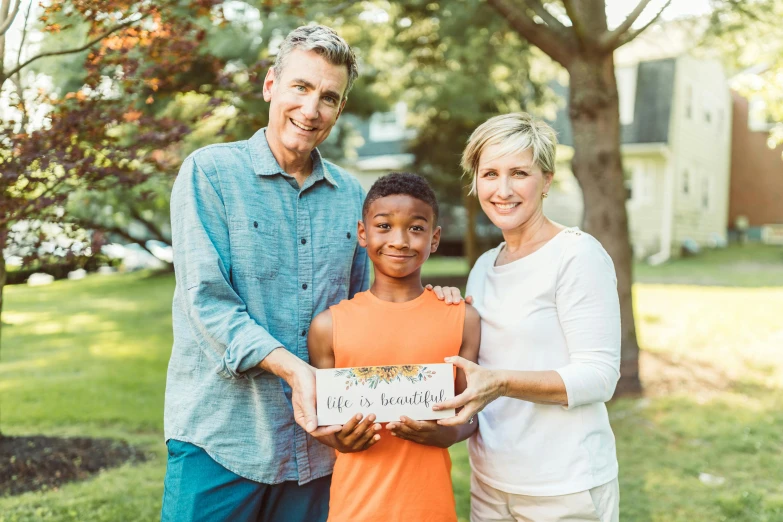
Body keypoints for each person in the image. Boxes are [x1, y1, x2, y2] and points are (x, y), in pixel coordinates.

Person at [162, 25, 463, 522]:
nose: (311, 109)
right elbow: (207, 302)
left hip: (319, 450)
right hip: (222, 439)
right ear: (270, 86)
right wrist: (295, 370)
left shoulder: (351, 197)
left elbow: (358, 319)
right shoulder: (209, 174)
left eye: (328, 97)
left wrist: (433, 301)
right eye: (300, 87)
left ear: (339, 110)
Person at [434, 113, 622, 521]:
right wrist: (440, 307)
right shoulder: (485, 264)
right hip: (490, 483)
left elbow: (599, 376)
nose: (502, 190)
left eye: (519, 173)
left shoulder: (576, 255)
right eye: (490, 174)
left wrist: (500, 383)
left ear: (547, 180)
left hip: (564, 487)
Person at [307, 173, 481, 522]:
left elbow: (472, 413)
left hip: (430, 508)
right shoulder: (328, 326)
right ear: (363, 233)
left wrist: (447, 434)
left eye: (416, 228)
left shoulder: (462, 319)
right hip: (354, 508)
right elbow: (320, 419)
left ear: (434, 239)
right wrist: (338, 441)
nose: (399, 240)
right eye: (384, 226)